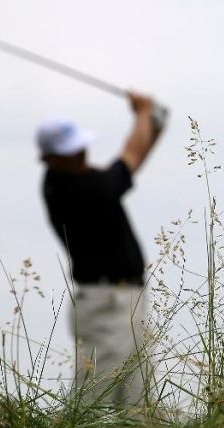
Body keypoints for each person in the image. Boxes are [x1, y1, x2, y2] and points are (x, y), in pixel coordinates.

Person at [38, 91, 165, 409]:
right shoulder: (79, 190)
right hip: (105, 302)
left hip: (122, 299)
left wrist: (152, 122)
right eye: (70, 151)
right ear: (50, 158)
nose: (80, 154)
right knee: (94, 395)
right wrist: (143, 115)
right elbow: (129, 160)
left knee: (138, 395)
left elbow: (130, 162)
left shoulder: (74, 179)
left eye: (80, 146)